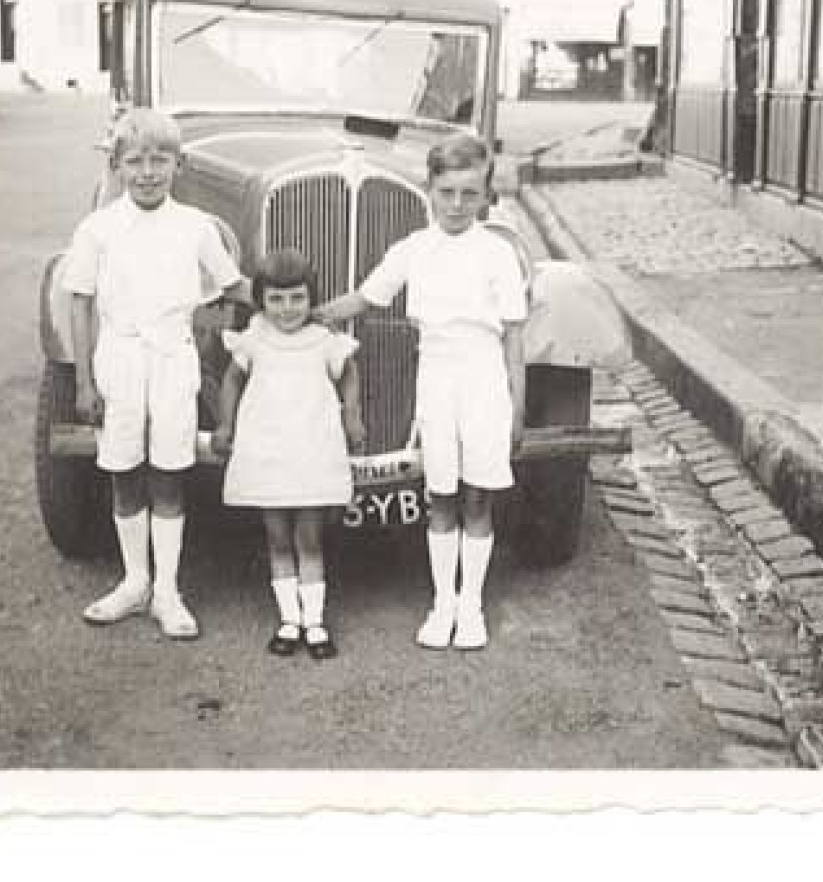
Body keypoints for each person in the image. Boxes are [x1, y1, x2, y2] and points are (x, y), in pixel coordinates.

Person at [316, 133, 526, 651]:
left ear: (486, 197)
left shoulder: (498, 253)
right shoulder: (413, 249)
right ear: (429, 189)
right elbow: (366, 299)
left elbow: (514, 339)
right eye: (446, 192)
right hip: (435, 376)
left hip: (484, 381)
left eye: (469, 194)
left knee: (479, 497)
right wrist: (308, 316)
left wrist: (517, 409)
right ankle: (442, 604)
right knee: (441, 495)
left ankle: (471, 605)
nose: (456, 205)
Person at [60, 108, 244, 639]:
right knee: (123, 471)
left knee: (168, 473)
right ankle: (133, 582)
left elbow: (232, 286)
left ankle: (167, 590)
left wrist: (295, 300)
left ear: (178, 165)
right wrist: (84, 383)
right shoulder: (98, 228)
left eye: (158, 160)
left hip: (173, 360)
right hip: (118, 359)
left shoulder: (195, 227)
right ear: (116, 166)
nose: (146, 172)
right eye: (134, 161)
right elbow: (80, 302)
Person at [212, 249, 365, 661]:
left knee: (309, 536)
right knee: (277, 535)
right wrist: (225, 426)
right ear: (260, 300)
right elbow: (231, 380)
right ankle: (288, 620)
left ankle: (314, 623)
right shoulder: (255, 336)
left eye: (297, 298)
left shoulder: (323, 340)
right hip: (267, 451)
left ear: (311, 298)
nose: (287, 309)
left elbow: (348, 372)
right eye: (276, 299)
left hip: (311, 448)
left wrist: (351, 416)